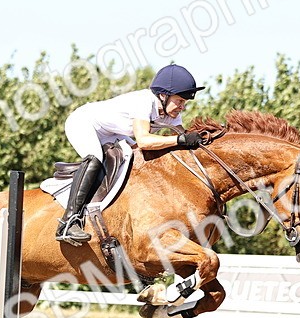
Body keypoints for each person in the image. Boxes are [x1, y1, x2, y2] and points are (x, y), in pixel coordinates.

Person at [55, 64, 206, 246]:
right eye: (180, 101)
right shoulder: (144, 102)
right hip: (84, 122)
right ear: (163, 95)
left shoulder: (171, 112)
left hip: (113, 132)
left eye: (184, 103)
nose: (182, 107)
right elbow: (144, 141)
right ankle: (68, 222)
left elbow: (184, 140)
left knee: (136, 159)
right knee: (95, 158)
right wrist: (181, 140)